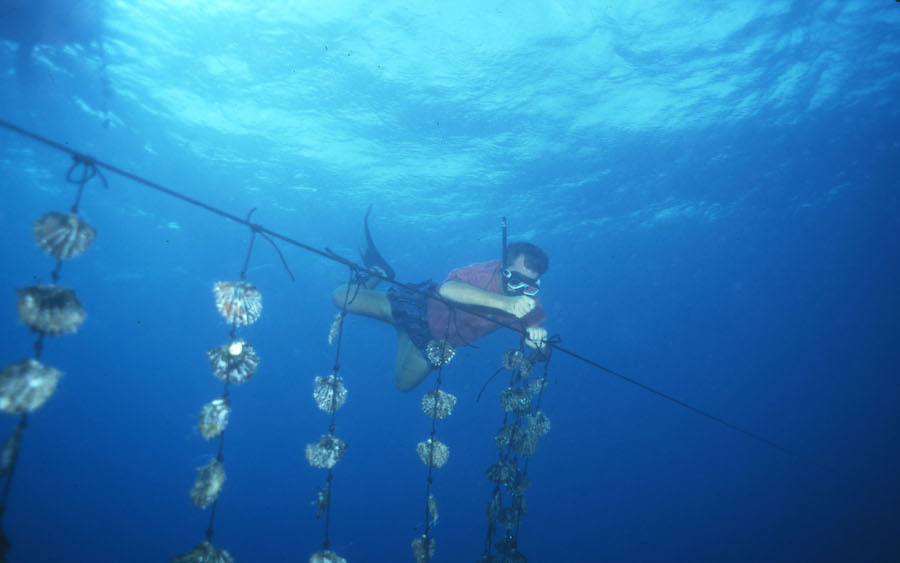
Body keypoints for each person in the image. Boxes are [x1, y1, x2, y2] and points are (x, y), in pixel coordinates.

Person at [331, 208, 549, 391]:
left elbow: (543, 355)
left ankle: (402, 330)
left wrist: (539, 343)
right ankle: (378, 274)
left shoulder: (529, 302)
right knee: (340, 297)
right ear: (503, 267)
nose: (522, 290)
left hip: (438, 344)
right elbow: (449, 289)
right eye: (517, 280)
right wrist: (505, 303)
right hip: (420, 307)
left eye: (530, 285)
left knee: (403, 384)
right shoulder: (487, 272)